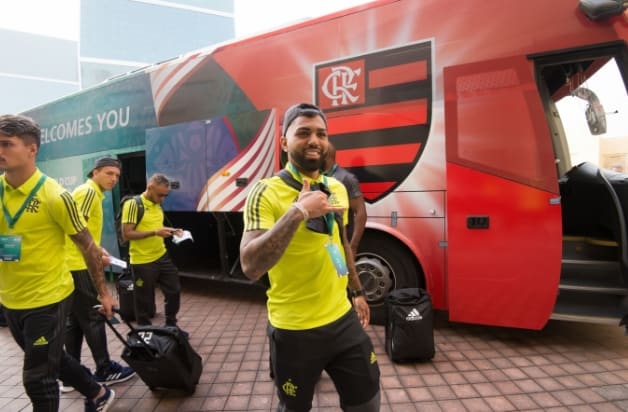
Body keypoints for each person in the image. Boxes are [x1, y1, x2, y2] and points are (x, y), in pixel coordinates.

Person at [240, 103, 381, 412]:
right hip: (294, 330)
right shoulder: (265, 192)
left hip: (343, 320)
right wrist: (298, 212)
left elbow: (340, 243)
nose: (314, 140)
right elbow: (250, 266)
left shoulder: (336, 188)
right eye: (303, 133)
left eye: (321, 133)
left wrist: (356, 291)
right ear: (284, 143)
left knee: (367, 401)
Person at [0, 114, 116, 411]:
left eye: (6, 144)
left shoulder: (56, 196)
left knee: (37, 379)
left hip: (48, 298)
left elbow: (88, 246)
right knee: (54, 357)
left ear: (31, 149)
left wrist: (103, 293)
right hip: (11, 299)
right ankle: (98, 393)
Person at [63, 156, 135, 390]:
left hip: (72, 264)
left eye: (116, 175)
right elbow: (77, 232)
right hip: (79, 265)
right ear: (95, 172)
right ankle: (104, 368)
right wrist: (94, 255)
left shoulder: (88, 191)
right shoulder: (89, 192)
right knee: (94, 317)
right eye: (108, 173)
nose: (113, 179)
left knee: (74, 321)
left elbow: (83, 233)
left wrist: (99, 249)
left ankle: (69, 375)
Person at [121, 173, 186, 335]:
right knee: (143, 298)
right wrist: (155, 233)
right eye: (160, 195)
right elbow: (127, 234)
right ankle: (144, 331)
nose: (162, 199)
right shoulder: (133, 204)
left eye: (165, 195)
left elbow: (155, 226)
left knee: (174, 290)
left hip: (161, 256)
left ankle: (171, 325)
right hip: (142, 261)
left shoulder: (157, 204)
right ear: (150, 188)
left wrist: (170, 230)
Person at [322, 144, 367, 257]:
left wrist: (353, 246)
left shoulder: (346, 178)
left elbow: (361, 213)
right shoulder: (317, 177)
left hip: (339, 245)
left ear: (325, 156)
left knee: (341, 272)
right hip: (321, 243)